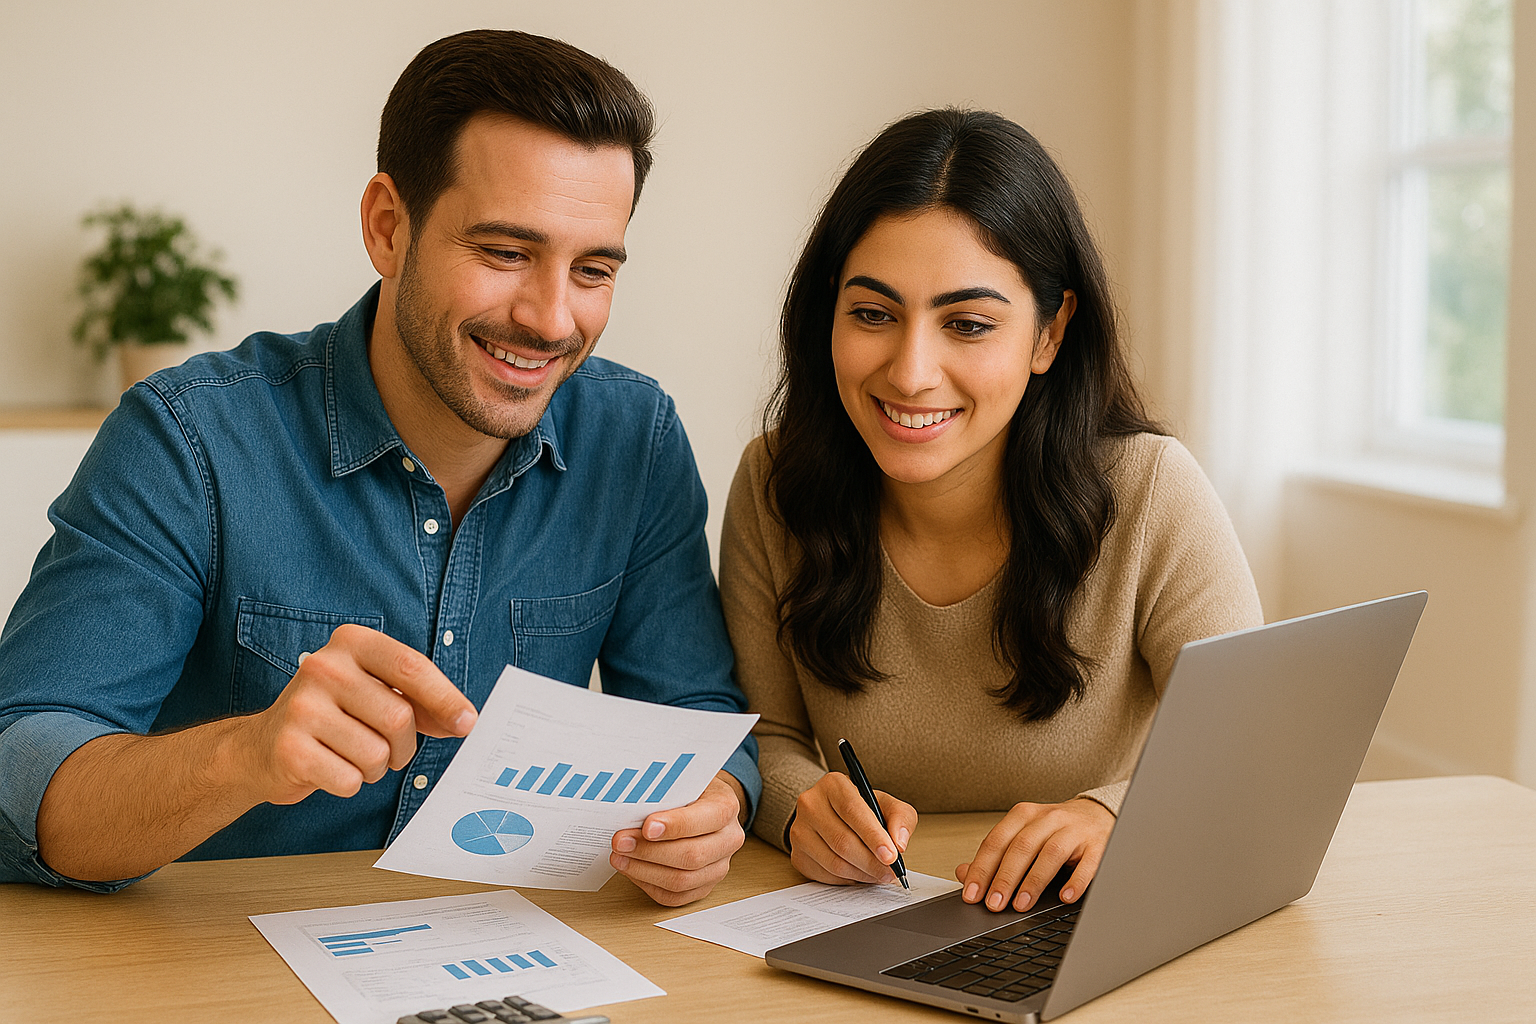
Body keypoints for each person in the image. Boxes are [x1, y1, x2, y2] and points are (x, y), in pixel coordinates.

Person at [0, 29, 758, 907]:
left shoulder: (636, 439)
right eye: (506, 253)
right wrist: (244, 754)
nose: (553, 320)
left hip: (509, 950)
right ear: (388, 227)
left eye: (592, 270)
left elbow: (701, 719)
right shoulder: (187, 439)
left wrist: (715, 804)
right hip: (214, 959)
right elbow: (21, 764)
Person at [719, 108, 1262, 916]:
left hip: (1091, 913)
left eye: (968, 325)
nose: (911, 372)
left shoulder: (1150, 489)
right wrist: (803, 807)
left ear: (1050, 334)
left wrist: (1114, 814)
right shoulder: (775, 484)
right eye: (872, 314)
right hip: (874, 915)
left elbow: (1251, 739)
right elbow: (767, 736)